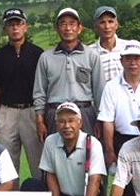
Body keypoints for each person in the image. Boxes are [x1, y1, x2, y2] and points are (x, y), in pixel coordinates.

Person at [13, 102, 107, 196]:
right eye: (62, 121)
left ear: (80, 123)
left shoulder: (92, 143)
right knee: (31, 185)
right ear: (56, 124)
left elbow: (95, 181)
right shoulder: (51, 141)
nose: (66, 126)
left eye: (71, 121)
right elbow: (50, 175)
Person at [97, 40, 140, 196]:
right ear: (121, 61)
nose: (133, 63)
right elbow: (108, 121)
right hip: (122, 140)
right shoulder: (111, 87)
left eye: (137, 58)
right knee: (126, 185)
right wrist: (110, 150)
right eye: (128, 58)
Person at [33, 8, 104, 140]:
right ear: (57, 28)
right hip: (55, 113)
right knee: (56, 150)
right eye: (63, 24)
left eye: (72, 23)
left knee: (86, 150)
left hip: (84, 112)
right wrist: (39, 119)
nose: (68, 28)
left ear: (79, 28)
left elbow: (99, 90)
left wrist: (101, 119)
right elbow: (39, 92)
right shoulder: (46, 57)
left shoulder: (91, 55)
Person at [0, 8, 45, 176]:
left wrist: (41, 117)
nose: (15, 28)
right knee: (7, 165)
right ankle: (11, 193)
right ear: (5, 29)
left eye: (19, 24)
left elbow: (44, 88)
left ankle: (40, 192)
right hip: (7, 112)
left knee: (38, 162)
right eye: (10, 24)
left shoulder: (38, 54)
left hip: (31, 111)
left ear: (26, 27)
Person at [87, 6, 140, 82]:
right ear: (96, 26)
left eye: (110, 22)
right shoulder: (89, 53)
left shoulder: (129, 47)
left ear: (116, 24)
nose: (107, 26)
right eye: (102, 22)